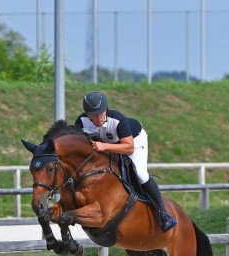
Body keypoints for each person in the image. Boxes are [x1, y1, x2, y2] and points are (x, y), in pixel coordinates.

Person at [74, 91, 177, 232]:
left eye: (101, 113)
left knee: (140, 174)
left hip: (133, 140)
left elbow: (128, 148)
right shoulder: (81, 122)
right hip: (107, 145)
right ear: (87, 114)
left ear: (106, 110)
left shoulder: (117, 119)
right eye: (94, 114)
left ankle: (163, 213)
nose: (98, 118)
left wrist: (105, 146)